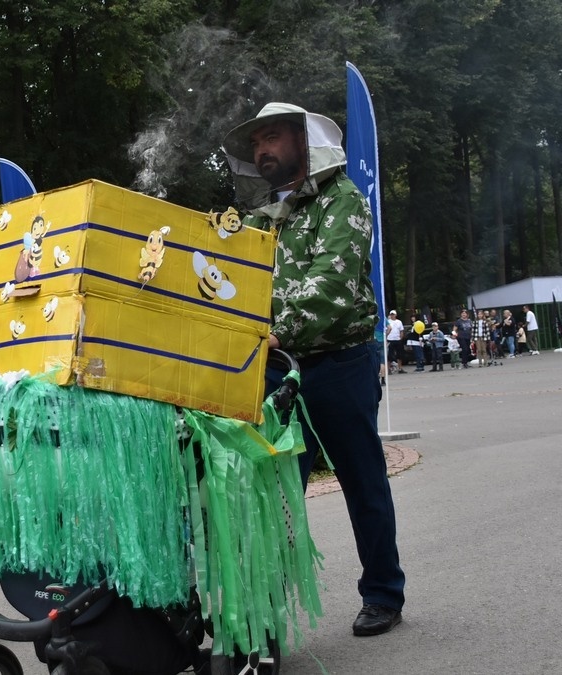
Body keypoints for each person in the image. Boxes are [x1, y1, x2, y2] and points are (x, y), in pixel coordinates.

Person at [222, 102, 404, 636]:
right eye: (256, 143)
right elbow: (230, 282)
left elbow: (331, 283)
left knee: (361, 479)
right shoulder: (259, 218)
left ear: (305, 143)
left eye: (273, 137)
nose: (262, 150)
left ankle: (383, 594)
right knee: (272, 487)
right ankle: (264, 608)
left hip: (341, 361)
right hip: (279, 367)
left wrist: (270, 329)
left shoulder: (342, 200)